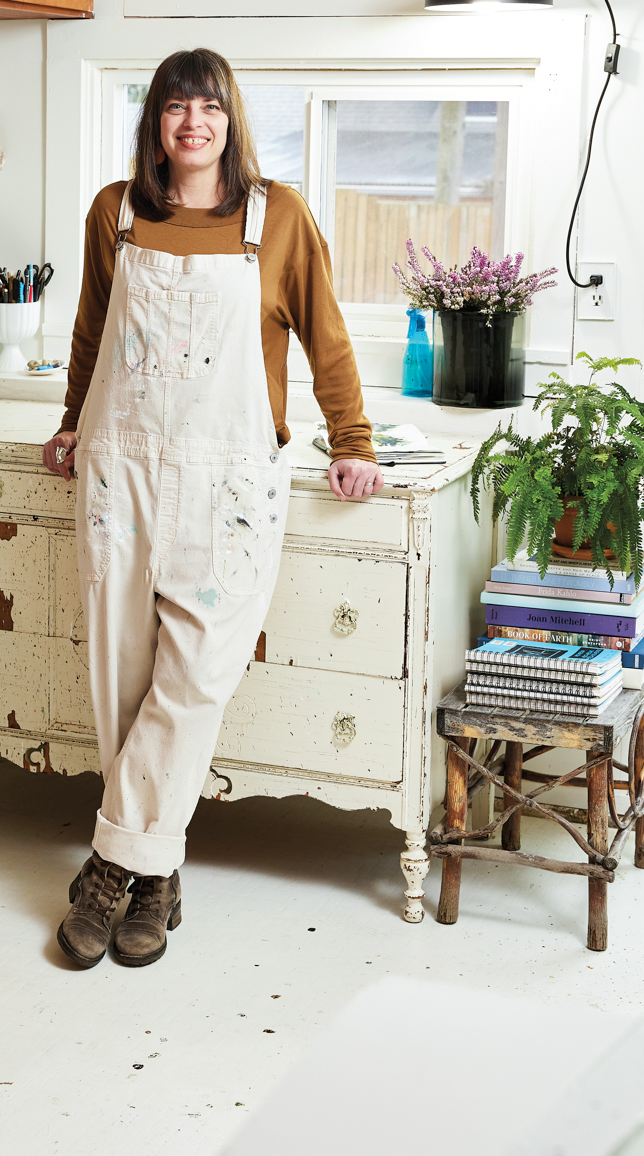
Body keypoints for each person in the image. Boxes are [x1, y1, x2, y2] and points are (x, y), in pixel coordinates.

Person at [42, 48, 382, 969]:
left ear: (233, 119)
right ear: (154, 122)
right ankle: (157, 882)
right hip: (122, 470)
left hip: (229, 479)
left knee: (193, 679)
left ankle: (111, 867)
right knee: (122, 674)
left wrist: (351, 441)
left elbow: (327, 336)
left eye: (209, 107)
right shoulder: (114, 215)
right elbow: (90, 331)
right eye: (174, 107)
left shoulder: (279, 218)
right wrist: (72, 423)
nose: (192, 122)